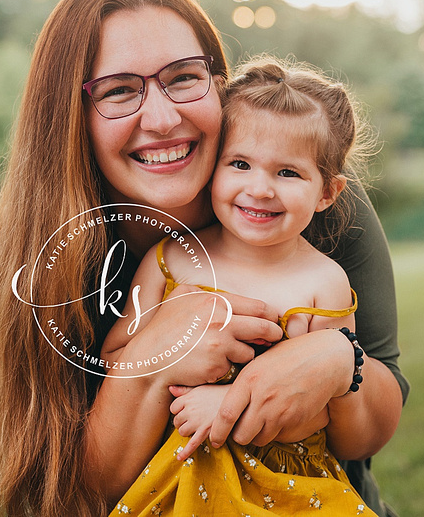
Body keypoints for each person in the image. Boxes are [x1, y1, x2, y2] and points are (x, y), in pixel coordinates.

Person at [0, 0, 408, 517]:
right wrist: (155, 359)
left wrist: (340, 361)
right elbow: (73, 495)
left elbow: (369, 432)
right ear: (69, 116)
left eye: (183, 78)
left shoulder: (304, 196)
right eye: (119, 90)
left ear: (218, 83)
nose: (162, 118)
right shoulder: (35, 260)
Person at [102, 56, 379, 515]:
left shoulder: (323, 282)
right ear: (213, 165)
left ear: (327, 192)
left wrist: (231, 405)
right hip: (175, 484)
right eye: (240, 164)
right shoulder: (171, 260)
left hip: (286, 490)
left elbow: (325, 412)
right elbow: (119, 364)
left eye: (287, 173)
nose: (261, 189)